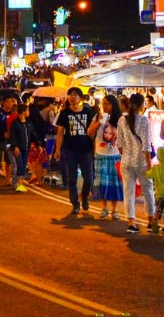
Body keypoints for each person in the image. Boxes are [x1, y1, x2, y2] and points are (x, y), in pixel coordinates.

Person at [53, 87, 98, 217]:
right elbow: (60, 133)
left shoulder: (88, 112)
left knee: (88, 178)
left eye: (75, 95)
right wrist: (57, 149)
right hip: (70, 150)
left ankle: (84, 196)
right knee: (71, 178)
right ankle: (75, 204)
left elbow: (93, 131)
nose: (72, 97)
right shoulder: (64, 113)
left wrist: (95, 147)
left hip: (86, 149)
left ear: (80, 97)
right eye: (70, 95)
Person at [117, 93, 155, 234]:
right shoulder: (144, 120)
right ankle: (151, 222)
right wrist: (149, 164)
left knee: (129, 192)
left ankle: (131, 223)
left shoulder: (122, 120)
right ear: (141, 105)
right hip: (142, 162)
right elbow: (146, 146)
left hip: (126, 162)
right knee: (148, 190)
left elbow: (119, 143)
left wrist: (126, 154)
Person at [93, 95, 125, 220]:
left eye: (107, 103)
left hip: (115, 155)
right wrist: (98, 122)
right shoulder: (97, 116)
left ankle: (115, 209)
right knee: (102, 182)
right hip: (100, 154)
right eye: (103, 103)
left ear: (113, 105)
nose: (104, 106)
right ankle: (104, 207)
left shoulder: (120, 119)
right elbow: (89, 132)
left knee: (115, 182)